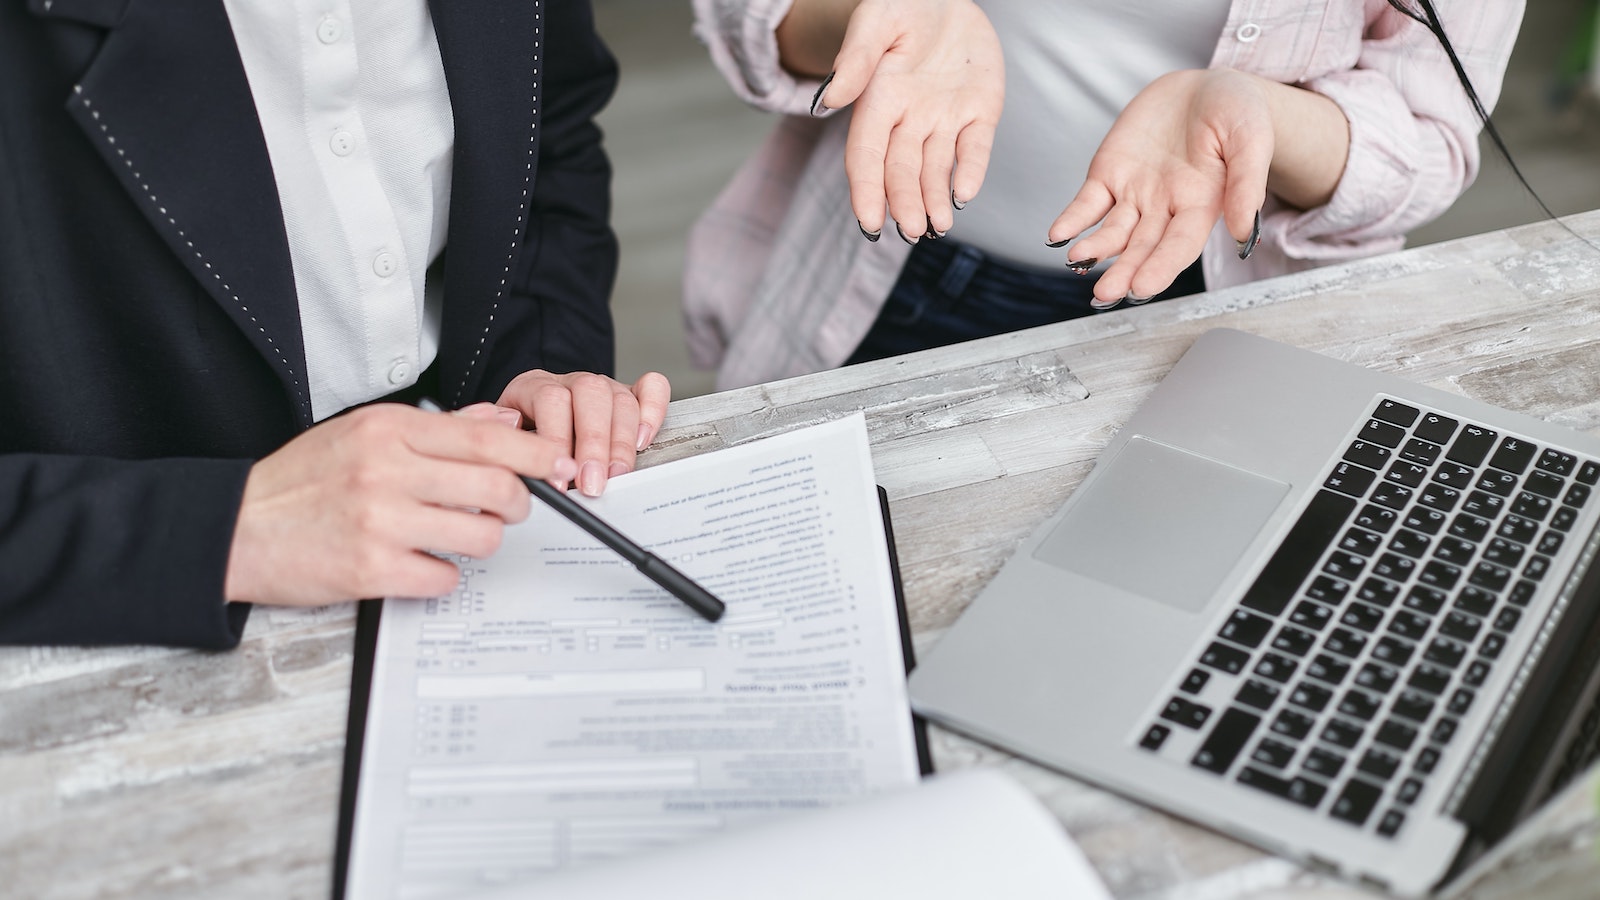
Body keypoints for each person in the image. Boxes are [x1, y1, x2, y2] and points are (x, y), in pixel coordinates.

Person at [0, 0, 667, 648]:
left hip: (482, 547)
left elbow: (551, 126)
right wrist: (222, 527)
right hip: (144, 631)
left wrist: (537, 357)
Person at [685, 0, 1525, 389]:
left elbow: (1429, 138)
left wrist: (1256, 115)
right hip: (897, 279)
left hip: (1225, 314)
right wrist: (880, 13)